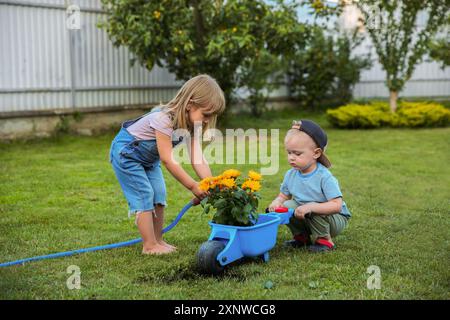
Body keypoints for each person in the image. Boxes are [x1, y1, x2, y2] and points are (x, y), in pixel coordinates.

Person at [109, 74, 225, 255]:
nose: (207, 121)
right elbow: (167, 159)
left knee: (160, 193)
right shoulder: (164, 119)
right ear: (190, 104)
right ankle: (149, 245)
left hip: (148, 159)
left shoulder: (192, 125)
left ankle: (158, 240)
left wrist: (210, 182)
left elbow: (197, 157)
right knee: (144, 194)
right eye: (206, 114)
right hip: (127, 154)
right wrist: (193, 185)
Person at [268, 120, 351, 252]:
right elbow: (284, 195)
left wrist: (311, 206)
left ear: (316, 153)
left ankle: (325, 240)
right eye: (289, 153)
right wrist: (277, 202)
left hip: (334, 219)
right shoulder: (291, 174)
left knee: (313, 207)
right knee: (287, 206)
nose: (291, 158)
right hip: (307, 213)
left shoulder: (324, 176)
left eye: (297, 154)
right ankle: (301, 237)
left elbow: (336, 205)